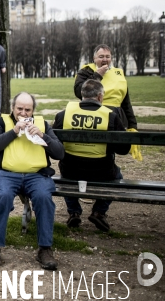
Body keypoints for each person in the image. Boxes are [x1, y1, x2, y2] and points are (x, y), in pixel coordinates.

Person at [0, 92, 64, 270]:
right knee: (3, 195)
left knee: (44, 197)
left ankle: (45, 249)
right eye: (20, 109)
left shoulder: (42, 124)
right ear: (13, 108)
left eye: (28, 110)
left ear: (33, 110)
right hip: (6, 173)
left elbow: (60, 153)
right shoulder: (2, 122)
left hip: (37, 175)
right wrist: (14, 131)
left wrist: (43, 136)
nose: (24, 113)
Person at [53, 79, 130, 232]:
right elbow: (124, 149)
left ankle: (74, 211)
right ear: (100, 97)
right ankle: (99, 212)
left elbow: (54, 145)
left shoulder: (64, 114)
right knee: (118, 175)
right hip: (102, 172)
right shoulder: (111, 116)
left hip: (71, 171)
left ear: (82, 95)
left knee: (65, 171)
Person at [74, 44, 137, 130]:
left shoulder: (118, 73)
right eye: (101, 56)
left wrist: (132, 125)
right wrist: (97, 75)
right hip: (95, 115)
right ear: (94, 58)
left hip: (117, 116)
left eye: (108, 56)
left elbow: (126, 103)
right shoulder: (86, 71)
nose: (105, 59)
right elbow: (78, 91)